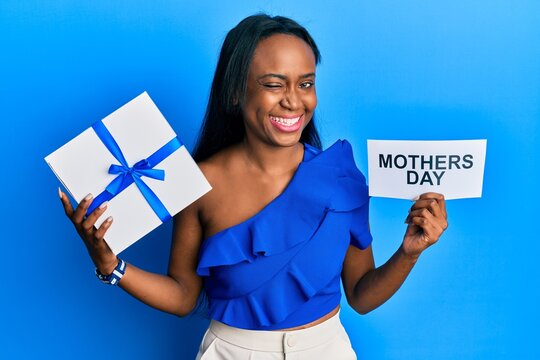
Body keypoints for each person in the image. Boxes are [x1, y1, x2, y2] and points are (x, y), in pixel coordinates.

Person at [58, 14, 448, 360]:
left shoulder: (341, 176)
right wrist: (111, 266)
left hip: (326, 350)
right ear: (235, 92)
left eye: (306, 83)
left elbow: (361, 295)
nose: (293, 101)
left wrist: (409, 253)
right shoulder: (198, 183)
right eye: (273, 84)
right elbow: (183, 296)